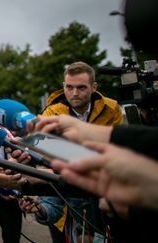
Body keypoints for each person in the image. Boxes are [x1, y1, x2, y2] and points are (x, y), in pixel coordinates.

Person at [34, 61, 123, 243]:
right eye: (69, 87)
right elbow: (47, 158)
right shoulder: (51, 112)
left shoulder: (112, 108)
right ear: (64, 87)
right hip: (68, 201)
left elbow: (119, 149)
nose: (74, 93)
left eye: (81, 87)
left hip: (105, 198)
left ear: (94, 87)